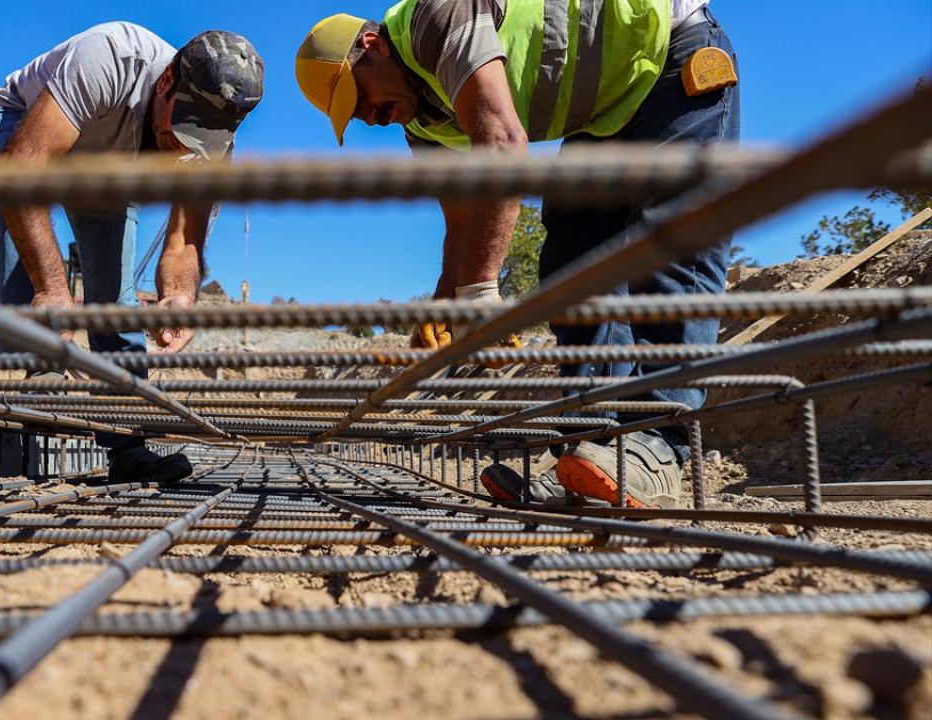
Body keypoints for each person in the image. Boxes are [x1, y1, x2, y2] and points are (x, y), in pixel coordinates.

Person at [295, 1, 738, 508]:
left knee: (671, 240)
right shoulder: (423, 125)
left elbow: (502, 144)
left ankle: (659, 445)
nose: (369, 118)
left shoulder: (436, 17)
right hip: (605, 113)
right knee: (574, 261)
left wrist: (481, 292)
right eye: (352, 115)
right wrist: (448, 300)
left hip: (668, 56)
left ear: (371, 47)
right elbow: (462, 219)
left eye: (360, 97)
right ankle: (587, 448)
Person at [0, 22, 264, 483]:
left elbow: (185, 240)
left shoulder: (213, 148)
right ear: (167, 83)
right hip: (27, 124)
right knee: (18, 211)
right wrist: (52, 288)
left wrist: (179, 298)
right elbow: (21, 167)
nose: (182, 148)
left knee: (115, 299)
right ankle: (31, 378)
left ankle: (127, 444)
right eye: (181, 130)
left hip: (106, 163)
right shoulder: (111, 58)